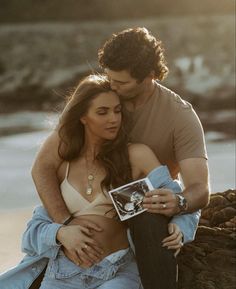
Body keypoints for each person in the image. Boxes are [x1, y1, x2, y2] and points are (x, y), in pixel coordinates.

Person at [30, 27, 209, 289]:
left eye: (120, 83)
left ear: (149, 75)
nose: (111, 86)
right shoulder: (98, 96)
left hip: (141, 206)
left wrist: (179, 205)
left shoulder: (180, 117)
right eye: (109, 78)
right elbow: (43, 167)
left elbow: (199, 188)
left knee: (146, 216)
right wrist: (65, 224)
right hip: (86, 205)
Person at [0, 75, 199, 289]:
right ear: (82, 117)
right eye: (102, 112)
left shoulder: (136, 155)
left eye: (117, 110)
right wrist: (61, 232)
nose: (113, 119)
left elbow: (179, 198)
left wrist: (180, 226)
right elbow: (32, 235)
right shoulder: (63, 165)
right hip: (63, 274)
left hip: (116, 271)